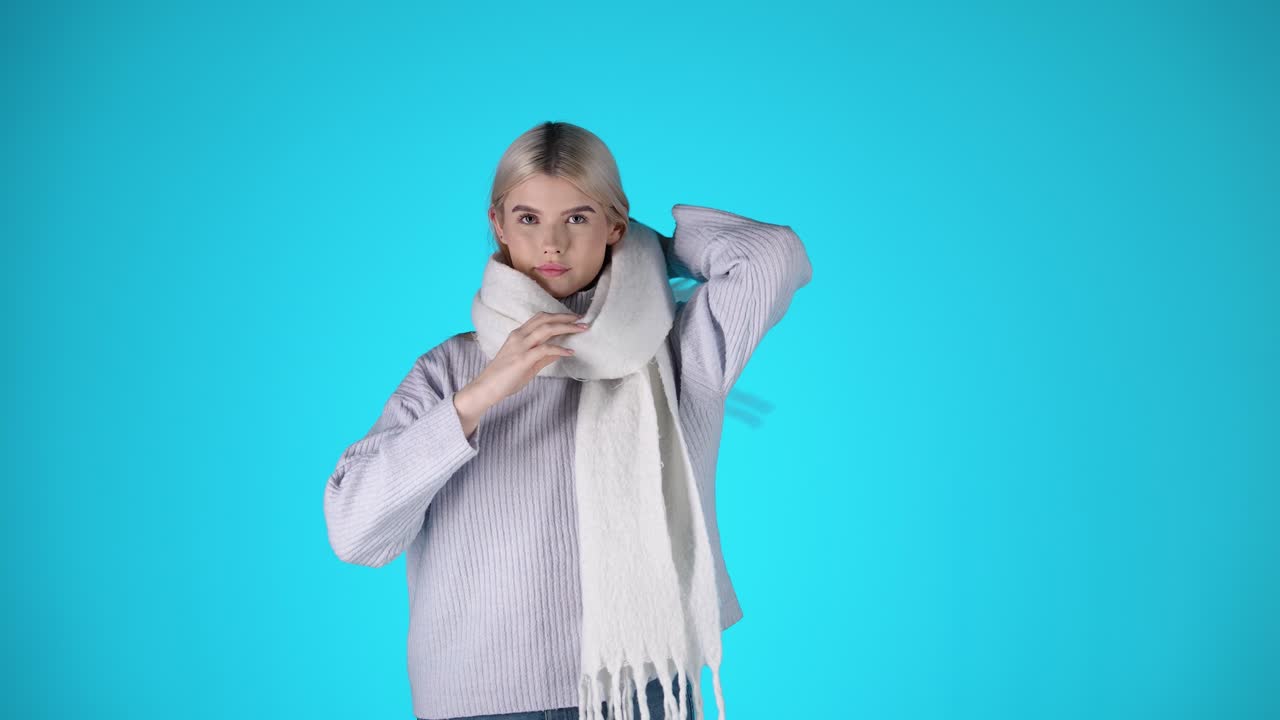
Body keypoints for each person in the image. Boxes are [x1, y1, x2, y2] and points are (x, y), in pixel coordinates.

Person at [323, 121, 813, 720]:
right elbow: (355, 532)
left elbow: (770, 255)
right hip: (479, 698)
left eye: (577, 218)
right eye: (528, 219)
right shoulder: (451, 370)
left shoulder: (681, 352)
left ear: (614, 222)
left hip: (643, 689)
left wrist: (640, 250)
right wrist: (478, 398)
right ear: (498, 225)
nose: (551, 243)